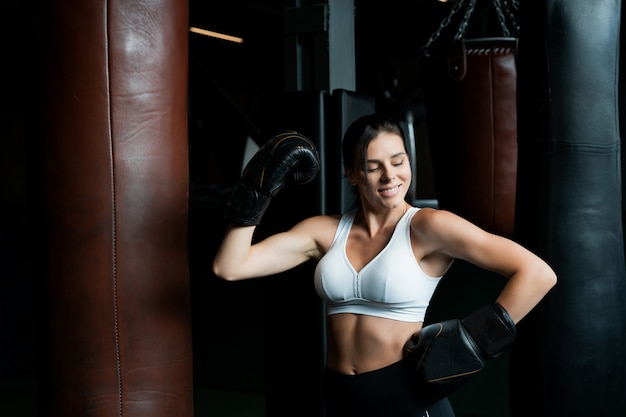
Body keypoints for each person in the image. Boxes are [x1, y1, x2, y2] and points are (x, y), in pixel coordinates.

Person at [212, 114, 557, 417]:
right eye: (374, 166)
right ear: (351, 173)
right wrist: (255, 192)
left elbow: (537, 273)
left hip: (406, 394)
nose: (390, 175)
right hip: (340, 394)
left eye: (398, 161)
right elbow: (230, 266)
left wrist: (473, 342)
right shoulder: (325, 231)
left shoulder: (427, 227)